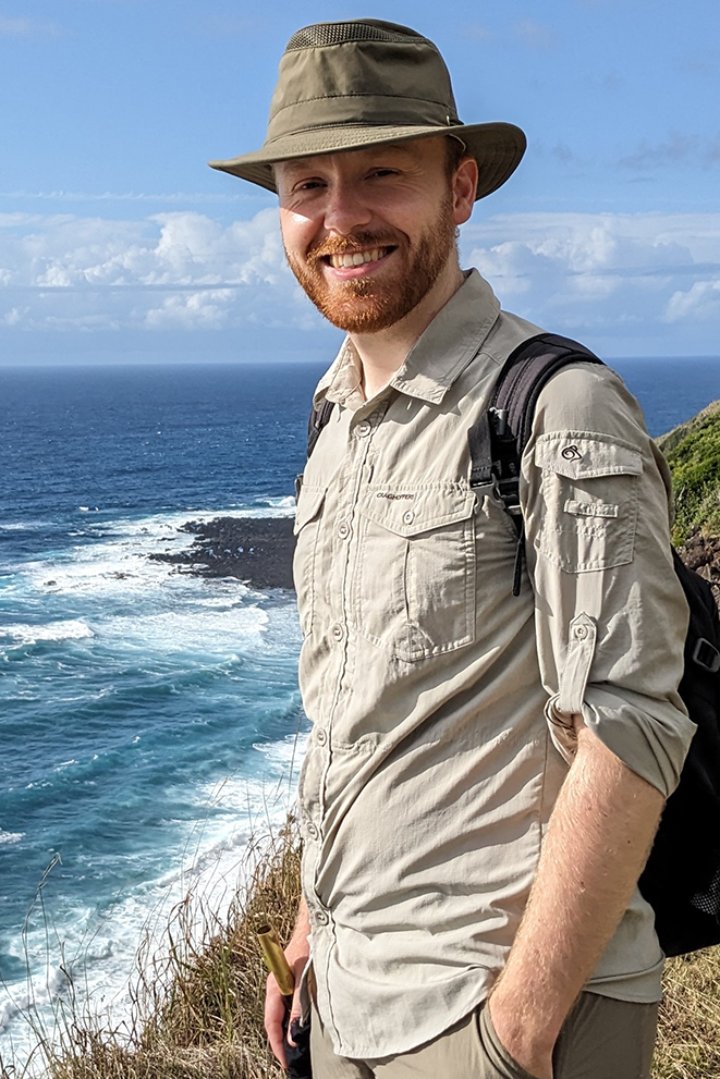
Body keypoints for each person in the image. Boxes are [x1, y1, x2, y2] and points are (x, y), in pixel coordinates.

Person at [210, 20, 696, 1079]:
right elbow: (353, 708)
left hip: (503, 1005)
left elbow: (635, 723)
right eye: (307, 185)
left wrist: (515, 1032)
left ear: (462, 189)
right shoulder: (334, 419)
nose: (341, 218)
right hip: (348, 996)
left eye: (383, 173)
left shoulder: (556, 407)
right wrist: (308, 927)